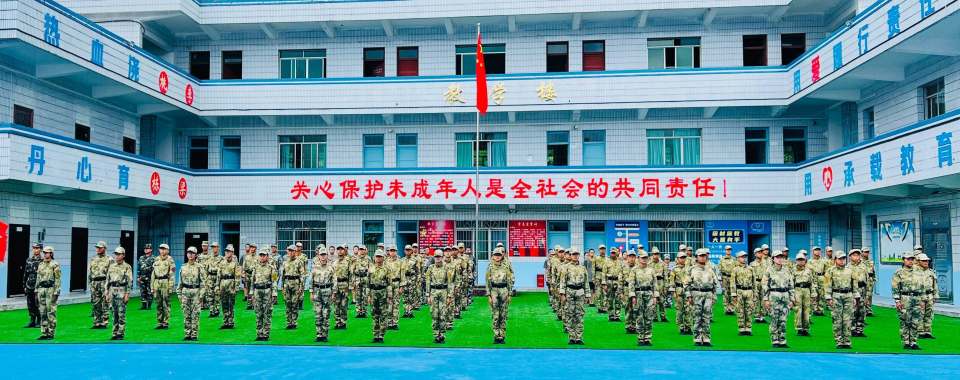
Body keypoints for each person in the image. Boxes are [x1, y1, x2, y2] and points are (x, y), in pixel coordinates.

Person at [825, 251, 858, 349]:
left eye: (843, 258)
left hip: (848, 295)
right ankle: (839, 341)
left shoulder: (850, 270)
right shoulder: (830, 271)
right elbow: (827, 285)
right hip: (836, 295)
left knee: (847, 319)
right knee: (837, 319)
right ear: (835, 259)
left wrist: (855, 297)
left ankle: (847, 341)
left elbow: (854, 285)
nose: (842, 260)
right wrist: (828, 298)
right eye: (840, 258)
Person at [685, 249, 719, 346]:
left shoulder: (710, 269)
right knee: (697, 316)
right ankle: (697, 338)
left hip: (708, 295)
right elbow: (686, 284)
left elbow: (715, 284)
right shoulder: (692, 269)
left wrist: (714, 296)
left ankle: (706, 338)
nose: (703, 257)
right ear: (696, 257)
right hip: (696, 294)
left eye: (704, 255)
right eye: (700, 256)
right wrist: (688, 296)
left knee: (707, 317)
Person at [763, 250, 794, 348]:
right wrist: (766, 299)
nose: (780, 259)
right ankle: (775, 340)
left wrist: (792, 299)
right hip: (774, 296)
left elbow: (791, 285)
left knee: (783, 319)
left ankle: (782, 340)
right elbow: (764, 285)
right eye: (777, 257)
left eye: (781, 257)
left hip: (785, 296)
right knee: (774, 319)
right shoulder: (769, 270)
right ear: (773, 258)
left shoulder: (787, 270)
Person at [892, 251, 922, 349]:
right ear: (903, 260)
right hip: (905, 298)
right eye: (908, 259)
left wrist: (922, 300)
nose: (910, 261)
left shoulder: (918, 271)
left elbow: (922, 286)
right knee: (905, 320)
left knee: (915, 320)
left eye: (912, 259)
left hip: (916, 298)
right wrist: (897, 300)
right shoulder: (899, 273)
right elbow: (895, 287)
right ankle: (906, 341)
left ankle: (913, 341)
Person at [627, 250, 658, 346]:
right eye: (642, 258)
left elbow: (655, 284)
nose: (644, 259)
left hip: (649, 294)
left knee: (649, 316)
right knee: (639, 317)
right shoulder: (634, 270)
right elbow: (631, 283)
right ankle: (641, 337)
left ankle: (648, 338)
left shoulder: (651, 270)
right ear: (638, 259)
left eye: (646, 258)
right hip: (638, 294)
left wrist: (655, 296)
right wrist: (632, 296)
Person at [559, 249, 590, 345]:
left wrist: (588, 295)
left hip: (580, 292)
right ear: (570, 255)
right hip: (569, 292)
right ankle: (572, 337)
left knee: (580, 315)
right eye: (573, 254)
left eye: (577, 254)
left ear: (579, 255)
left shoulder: (582, 268)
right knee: (570, 314)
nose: (575, 256)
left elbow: (586, 282)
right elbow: (562, 281)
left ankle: (579, 337)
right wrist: (562, 294)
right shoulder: (566, 267)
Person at [486, 247, 514, 344]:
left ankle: (502, 336)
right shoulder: (490, 267)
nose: (497, 257)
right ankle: (496, 335)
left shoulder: (506, 267)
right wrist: (488, 295)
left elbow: (509, 281)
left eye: (499, 255)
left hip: (504, 290)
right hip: (494, 290)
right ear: (493, 256)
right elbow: (487, 281)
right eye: (495, 255)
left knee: (503, 314)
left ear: (502, 256)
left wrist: (510, 294)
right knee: (495, 314)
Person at [427, 249, 454, 343]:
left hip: (443, 291)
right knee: (434, 314)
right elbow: (427, 281)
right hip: (433, 291)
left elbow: (450, 282)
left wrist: (450, 296)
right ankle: (436, 334)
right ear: (434, 257)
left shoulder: (447, 268)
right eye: (436, 257)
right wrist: (428, 295)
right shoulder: (430, 268)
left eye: (439, 257)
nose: (437, 258)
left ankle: (442, 334)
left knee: (443, 314)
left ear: (442, 257)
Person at [177, 247, 204, 341]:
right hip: (185, 292)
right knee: (186, 314)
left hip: (195, 291)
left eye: (192, 253)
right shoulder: (183, 267)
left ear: (195, 255)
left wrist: (201, 295)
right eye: (189, 253)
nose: (190, 254)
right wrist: (179, 294)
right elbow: (180, 282)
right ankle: (187, 333)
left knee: (195, 314)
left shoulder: (199, 267)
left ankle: (194, 334)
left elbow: (203, 283)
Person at [252, 248, 278, 341]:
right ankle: (259, 333)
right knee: (258, 313)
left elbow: (274, 281)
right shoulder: (255, 267)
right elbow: (252, 281)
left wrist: (274, 293)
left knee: (267, 313)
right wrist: (251, 293)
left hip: (267, 291)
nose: (262, 257)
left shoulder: (271, 268)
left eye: (264, 255)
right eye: (261, 255)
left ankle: (266, 334)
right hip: (257, 292)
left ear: (267, 256)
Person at [106, 247, 132, 340]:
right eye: (116, 254)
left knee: (121, 313)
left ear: (123, 255)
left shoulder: (127, 267)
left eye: (119, 254)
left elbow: (129, 282)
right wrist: (106, 292)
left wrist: (127, 294)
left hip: (121, 290)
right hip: (113, 290)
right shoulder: (112, 266)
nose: (117, 256)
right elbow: (108, 280)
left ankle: (120, 333)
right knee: (114, 313)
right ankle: (114, 332)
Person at [35, 246, 61, 340]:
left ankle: (51, 333)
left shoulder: (55, 264)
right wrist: (36, 289)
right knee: (42, 312)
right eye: (44, 252)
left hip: (51, 289)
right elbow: (38, 278)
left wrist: (56, 291)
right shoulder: (40, 264)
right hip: (41, 289)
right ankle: (44, 332)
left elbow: (57, 278)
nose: (45, 254)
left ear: (51, 253)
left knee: (51, 311)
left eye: (47, 252)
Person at [311, 245, 336, 342]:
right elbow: (311, 281)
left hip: (327, 291)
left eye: (324, 254)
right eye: (321, 255)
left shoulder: (331, 267)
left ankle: (325, 334)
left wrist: (334, 292)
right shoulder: (314, 267)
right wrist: (311, 292)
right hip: (317, 291)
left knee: (326, 314)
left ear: (327, 255)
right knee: (318, 314)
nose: (323, 256)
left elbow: (334, 280)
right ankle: (319, 334)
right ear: (318, 256)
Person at [368, 249, 391, 343]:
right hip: (373, 292)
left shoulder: (386, 269)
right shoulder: (371, 268)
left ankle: (381, 335)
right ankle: (375, 334)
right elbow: (367, 283)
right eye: (377, 256)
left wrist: (389, 296)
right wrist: (368, 295)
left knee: (383, 314)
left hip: (383, 293)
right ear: (374, 257)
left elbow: (389, 283)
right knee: (374, 314)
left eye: (380, 256)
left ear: (383, 258)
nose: (378, 258)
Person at [792, 251, 817, 336]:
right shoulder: (793, 270)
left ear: (805, 260)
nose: (800, 261)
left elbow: (812, 282)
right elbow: (791, 283)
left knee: (807, 310)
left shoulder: (809, 270)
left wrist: (813, 294)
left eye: (802, 260)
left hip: (807, 290)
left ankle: (806, 328)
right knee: (798, 310)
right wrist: (791, 295)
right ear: (796, 260)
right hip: (797, 290)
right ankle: (799, 328)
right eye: (799, 260)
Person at [151, 243, 176, 329]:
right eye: (161, 249)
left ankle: (166, 322)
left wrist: (170, 286)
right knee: (158, 303)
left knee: (166, 303)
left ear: (168, 250)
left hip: (165, 282)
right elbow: (153, 274)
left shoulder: (170, 260)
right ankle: (159, 322)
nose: (162, 250)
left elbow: (172, 274)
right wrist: (152, 287)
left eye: (164, 249)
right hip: (157, 282)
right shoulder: (156, 259)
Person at [730, 251, 754, 335]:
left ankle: (748, 328)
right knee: (740, 310)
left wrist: (755, 293)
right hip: (739, 291)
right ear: (737, 258)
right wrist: (733, 294)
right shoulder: (735, 269)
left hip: (749, 291)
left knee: (749, 310)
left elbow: (753, 281)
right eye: (742, 257)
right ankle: (741, 328)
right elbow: (732, 282)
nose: (744, 258)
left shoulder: (750, 268)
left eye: (745, 257)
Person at [281, 245, 305, 329]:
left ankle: (294, 322)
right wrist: (282, 287)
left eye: (292, 251)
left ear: (295, 252)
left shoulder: (299, 261)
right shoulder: (285, 262)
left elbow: (302, 275)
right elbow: (283, 275)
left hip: (296, 283)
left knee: (294, 303)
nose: (290, 252)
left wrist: (301, 287)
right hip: (287, 283)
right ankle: (288, 322)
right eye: (289, 251)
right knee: (287, 303)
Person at [88, 241, 111, 329]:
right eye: (97, 247)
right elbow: (90, 272)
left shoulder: (109, 259)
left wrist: (109, 286)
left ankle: (104, 322)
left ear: (104, 248)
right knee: (95, 303)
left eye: (100, 248)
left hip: (104, 282)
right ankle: (97, 322)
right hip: (94, 283)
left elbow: (111, 273)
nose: (97, 249)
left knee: (105, 302)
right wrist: (90, 283)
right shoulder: (93, 259)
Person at [218, 244, 242, 329]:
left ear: (232, 253)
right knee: (224, 303)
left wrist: (236, 287)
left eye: (229, 251)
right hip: (223, 284)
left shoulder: (235, 264)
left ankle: (231, 321)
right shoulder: (221, 262)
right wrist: (217, 286)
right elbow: (219, 275)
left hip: (231, 284)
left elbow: (238, 276)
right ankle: (225, 321)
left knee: (231, 304)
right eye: (226, 251)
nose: (227, 253)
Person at [916, 253, 938, 339]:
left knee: (929, 314)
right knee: (920, 314)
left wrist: (935, 295)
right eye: (924, 261)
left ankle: (927, 331)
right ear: (918, 261)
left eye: (927, 261)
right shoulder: (915, 272)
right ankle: (920, 331)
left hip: (929, 295)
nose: (926, 262)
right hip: (920, 295)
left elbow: (934, 284)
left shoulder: (931, 272)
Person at [670, 251, 692, 334]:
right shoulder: (674, 269)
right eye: (681, 258)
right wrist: (673, 293)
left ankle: (688, 327)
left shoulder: (689, 268)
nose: (683, 259)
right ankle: (681, 327)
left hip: (687, 291)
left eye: (684, 258)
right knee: (680, 310)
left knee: (688, 309)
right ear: (677, 259)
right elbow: (671, 282)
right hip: (678, 291)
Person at [385, 245, 406, 330]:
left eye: (394, 251)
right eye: (391, 251)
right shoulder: (385, 262)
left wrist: (402, 286)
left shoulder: (400, 262)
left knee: (396, 304)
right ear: (389, 252)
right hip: (388, 285)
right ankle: (389, 322)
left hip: (397, 284)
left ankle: (395, 323)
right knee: (389, 304)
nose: (392, 252)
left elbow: (403, 275)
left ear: (396, 251)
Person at [23, 243, 42, 328]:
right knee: (30, 303)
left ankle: (39, 320)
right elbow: (26, 273)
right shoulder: (29, 260)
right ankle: (32, 320)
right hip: (29, 285)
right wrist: (24, 285)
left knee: (37, 303)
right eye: (34, 248)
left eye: (37, 248)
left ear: (40, 249)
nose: (35, 250)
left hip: (38, 286)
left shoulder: (43, 260)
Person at [603, 247, 624, 322]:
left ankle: (617, 315)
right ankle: (611, 315)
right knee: (610, 300)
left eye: (614, 253)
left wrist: (622, 283)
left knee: (618, 300)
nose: (613, 254)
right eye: (611, 253)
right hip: (609, 282)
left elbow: (622, 272)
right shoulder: (606, 262)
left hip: (618, 281)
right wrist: (604, 284)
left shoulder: (620, 262)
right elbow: (603, 273)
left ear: (616, 253)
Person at [333, 246, 352, 329]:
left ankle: (343, 322)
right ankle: (337, 322)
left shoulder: (348, 262)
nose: (340, 251)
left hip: (345, 285)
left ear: (344, 251)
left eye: (342, 250)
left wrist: (350, 286)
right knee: (336, 304)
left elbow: (351, 274)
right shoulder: (334, 263)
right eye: (339, 250)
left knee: (344, 305)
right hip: (336, 285)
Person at [203, 242, 222, 317]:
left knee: (217, 295)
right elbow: (206, 269)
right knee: (210, 295)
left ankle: (217, 309)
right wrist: (205, 279)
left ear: (218, 248)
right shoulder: (209, 258)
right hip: (210, 278)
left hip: (218, 277)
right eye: (213, 247)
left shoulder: (221, 258)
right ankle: (211, 310)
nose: (214, 248)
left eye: (215, 247)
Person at [649, 247, 668, 322]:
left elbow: (666, 275)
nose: (656, 255)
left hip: (661, 283)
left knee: (662, 301)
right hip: (653, 283)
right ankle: (654, 317)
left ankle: (663, 316)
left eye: (657, 254)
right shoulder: (649, 263)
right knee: (653, 301)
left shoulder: (663, 263)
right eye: (654, 254)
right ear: (652, 254)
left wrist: (666, 286)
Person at [352, 246, 371, 317]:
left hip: (365, 278)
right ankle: (358, 312)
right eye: (360, 249)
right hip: (357, 278)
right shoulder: (355, 259)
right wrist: (353, 281)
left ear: (365, 250)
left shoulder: (368, 259)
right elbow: (352, 270)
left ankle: (364, 311)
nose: (361, 251)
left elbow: (370, 269)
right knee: (358, 296)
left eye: (363, 250)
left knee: (365, 296)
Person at [808, 247, 827, 315]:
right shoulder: (809, 261)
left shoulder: (823, 261)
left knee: (822, 294)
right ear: (813, 252)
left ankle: (821, 309)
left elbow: (826, 270)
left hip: (821, 278)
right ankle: (815, 309)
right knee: (814, 294)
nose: (817, 252)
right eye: (816, 250)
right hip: (813, 278)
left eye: (819, 250)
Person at [719, 245, 736, 315]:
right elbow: (720, 269)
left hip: (732, 277)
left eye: (729, 250)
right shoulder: (722, 259)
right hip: (724, 278)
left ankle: (731, 308)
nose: (728, 251)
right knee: (725, 293)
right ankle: (726, 308)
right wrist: (720, 280)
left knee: (732, 292)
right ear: (725, 250)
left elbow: (736, 269)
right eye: (727, 250)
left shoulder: (734, 259)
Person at [241, 242, 258, 310]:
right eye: (251, 247)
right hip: (248, 275)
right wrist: (243, 275)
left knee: (255, 290)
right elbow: (243, 267)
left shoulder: (258, 257)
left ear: (255, 248)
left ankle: (254, 304)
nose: (252, 249)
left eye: (253, 247)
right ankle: (249, 304)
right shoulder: (246, 257)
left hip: (255, 276)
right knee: (248, 291)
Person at [138, 244, 155, 310]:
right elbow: (139, 268)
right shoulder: (141, 258)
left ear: (151, 250)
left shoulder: (154, 258)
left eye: (147, 248)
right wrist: (138, 276)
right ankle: (144, 305)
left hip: (150, 278)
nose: (145, 249)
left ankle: (149, 306)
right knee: (142, 292)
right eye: (145, 248)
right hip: (142, 278)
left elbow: (154, 269)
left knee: (149, 292)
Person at [593, 245, 607, 313]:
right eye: (601, 249)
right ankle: (599, 307)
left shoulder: (607, 259)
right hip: (598, 277)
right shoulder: (596, 258)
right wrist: (593, 278)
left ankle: (604, 307)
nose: (602, 250)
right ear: (599, 250)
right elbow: (593, 268)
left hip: (605, 278)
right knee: (598, 293)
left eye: (603, 249)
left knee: (605, 293)